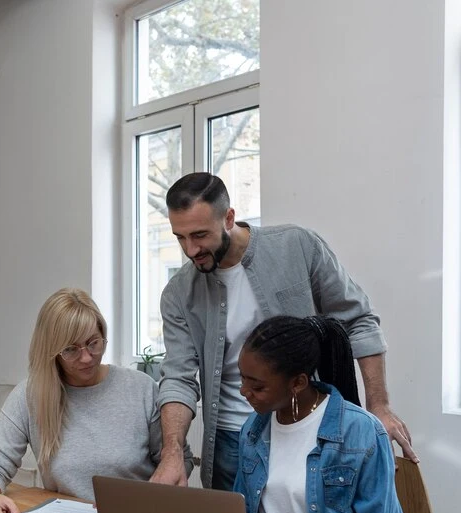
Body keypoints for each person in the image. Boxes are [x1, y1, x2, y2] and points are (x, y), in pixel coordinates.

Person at [151, 172, 416, 491]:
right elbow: (179, 377)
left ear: (229, 218)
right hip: (231, 443)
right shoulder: (179, 293)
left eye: (200, 235)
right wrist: (172, 453)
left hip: (308, 429)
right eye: (180, 237)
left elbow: (357, 319)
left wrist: (379, 406)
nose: (191, 249)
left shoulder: (297, 246)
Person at [0, 288, 193, 513]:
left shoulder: (141, 388)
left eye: (93, 343)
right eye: (71, 349)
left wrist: (145, 499)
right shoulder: (30, 396)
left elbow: (180, 461)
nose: (86, 357)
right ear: (52, 352)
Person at [233, 315, 417, 513]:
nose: (243, 391)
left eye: (257, 386)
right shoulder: (253, 430)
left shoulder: (362, 432)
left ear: (298, 383)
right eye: (242, 379)